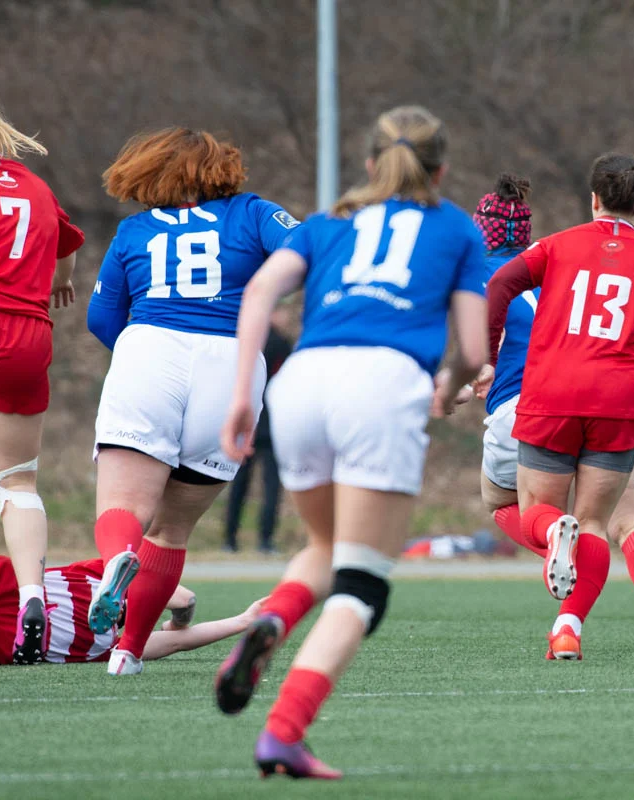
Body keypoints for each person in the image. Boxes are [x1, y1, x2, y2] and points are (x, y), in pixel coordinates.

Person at [213, 105, 488, 780]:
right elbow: (475, 348)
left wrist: (244, 393)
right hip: (382, 383)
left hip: (302, 380)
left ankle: (272, 621)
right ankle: (284, 731)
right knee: (364, 583)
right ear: (441, 169)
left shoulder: (327, 221)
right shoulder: (456, 228)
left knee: (326, 548)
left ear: (369, 163)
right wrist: (449, 384)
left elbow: (258, 293)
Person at [85, 127, 300, 676]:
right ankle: (128, 653)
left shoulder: (134, 230)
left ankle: (116, 563)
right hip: (232, 361)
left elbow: (102, 319)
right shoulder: (252, 212)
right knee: (172, 529)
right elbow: (305, 255)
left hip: (152, 348)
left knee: (127, 510)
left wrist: (144, 356)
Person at [471, 173, 634, 657]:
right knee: (617, 519)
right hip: (617, 400)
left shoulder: (554, 251)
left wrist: (476, 367)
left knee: (521, 509)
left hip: (544, 397)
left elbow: (497, 290)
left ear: (593, 199)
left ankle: (556, 544)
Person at [0, 91, 85, 664]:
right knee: (16, 482)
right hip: (27, 335)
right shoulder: (33, 184)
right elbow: (66, 252)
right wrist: (55, 284)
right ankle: (33, 594)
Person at [0, 552, 262, 666]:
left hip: (0, 619)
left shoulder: (117, 641)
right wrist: (239, 621)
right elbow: (183, 606)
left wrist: (242, 620)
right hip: (2, 606)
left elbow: (181, 611)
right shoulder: (111, 575)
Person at [224, 306, 293, 554]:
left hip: (247, 423)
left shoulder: (244, 343)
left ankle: (230, 540)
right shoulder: (279, 344)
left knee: (241, 484)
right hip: (268, 425)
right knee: (269, 486)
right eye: (280, 312)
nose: (285, 317)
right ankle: (264, 541)